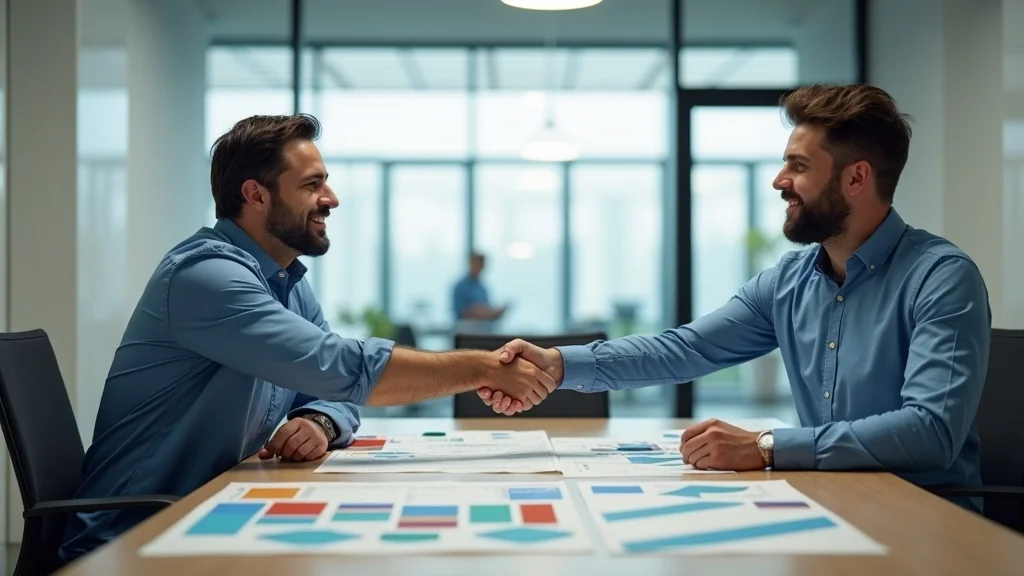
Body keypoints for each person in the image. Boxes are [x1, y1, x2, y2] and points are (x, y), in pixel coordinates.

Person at [58, 114, 553, 563]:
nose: (331, 199)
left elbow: (334, 392)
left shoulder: (286, 281)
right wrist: (481, 368)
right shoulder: (206, 276)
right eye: (312, 184)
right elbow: (341, 367)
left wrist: (318, 420)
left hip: (212, 515)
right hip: (132, 539)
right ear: (256, 195)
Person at [479, 83, 991, 509]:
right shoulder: (789, 281)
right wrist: (557, 365)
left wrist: (767, 447)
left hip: (926, 516)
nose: (779, 181)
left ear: (856, 177)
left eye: (799, 166)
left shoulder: (941, 278)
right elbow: (685, 349)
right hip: (830, 502)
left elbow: (931, 432)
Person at [452, 252, 507, 324]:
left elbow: (486, 309)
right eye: (477, 264)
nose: (479, 268)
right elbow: (464, 312)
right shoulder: (461, 287)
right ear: (470, 264)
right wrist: (480, 312)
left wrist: (494, 313)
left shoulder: (482, 288)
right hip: (466, 328)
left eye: (481, 266)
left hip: (483, 328)